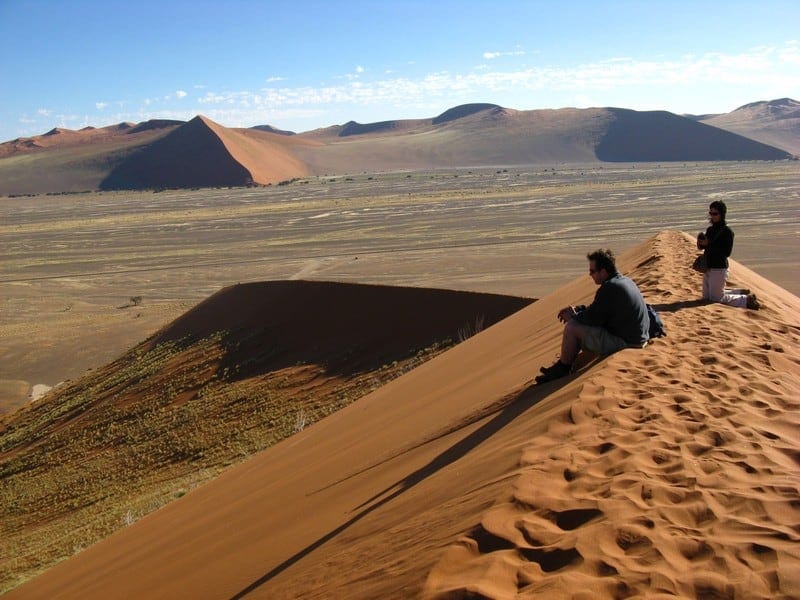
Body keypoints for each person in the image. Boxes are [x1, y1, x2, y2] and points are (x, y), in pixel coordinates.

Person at [536, 248, 649, 384]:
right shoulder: (623, 281)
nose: (590, 275)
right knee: (578, 325)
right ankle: (564, 364)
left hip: (627, 344)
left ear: (603, 271)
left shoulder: (609, 288)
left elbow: (594, 319)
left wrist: (573, 318)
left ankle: (562, 368)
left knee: (572, 328)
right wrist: (578, 311)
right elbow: (598, 310)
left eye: (592, 271)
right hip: (638, 338)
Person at [696, 200, 759, 309]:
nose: (712, 216)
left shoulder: (727, 232)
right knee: (706, 297)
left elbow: (726, 253)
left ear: (722, 214)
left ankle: (745, 300)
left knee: (715, 299)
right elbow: (705, 247)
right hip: (708, 267)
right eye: (710, 213)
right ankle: (737, 292)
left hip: (719, 268)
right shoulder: (710, 230)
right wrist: (701, 243)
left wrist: (709, 244)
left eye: (715, 213)